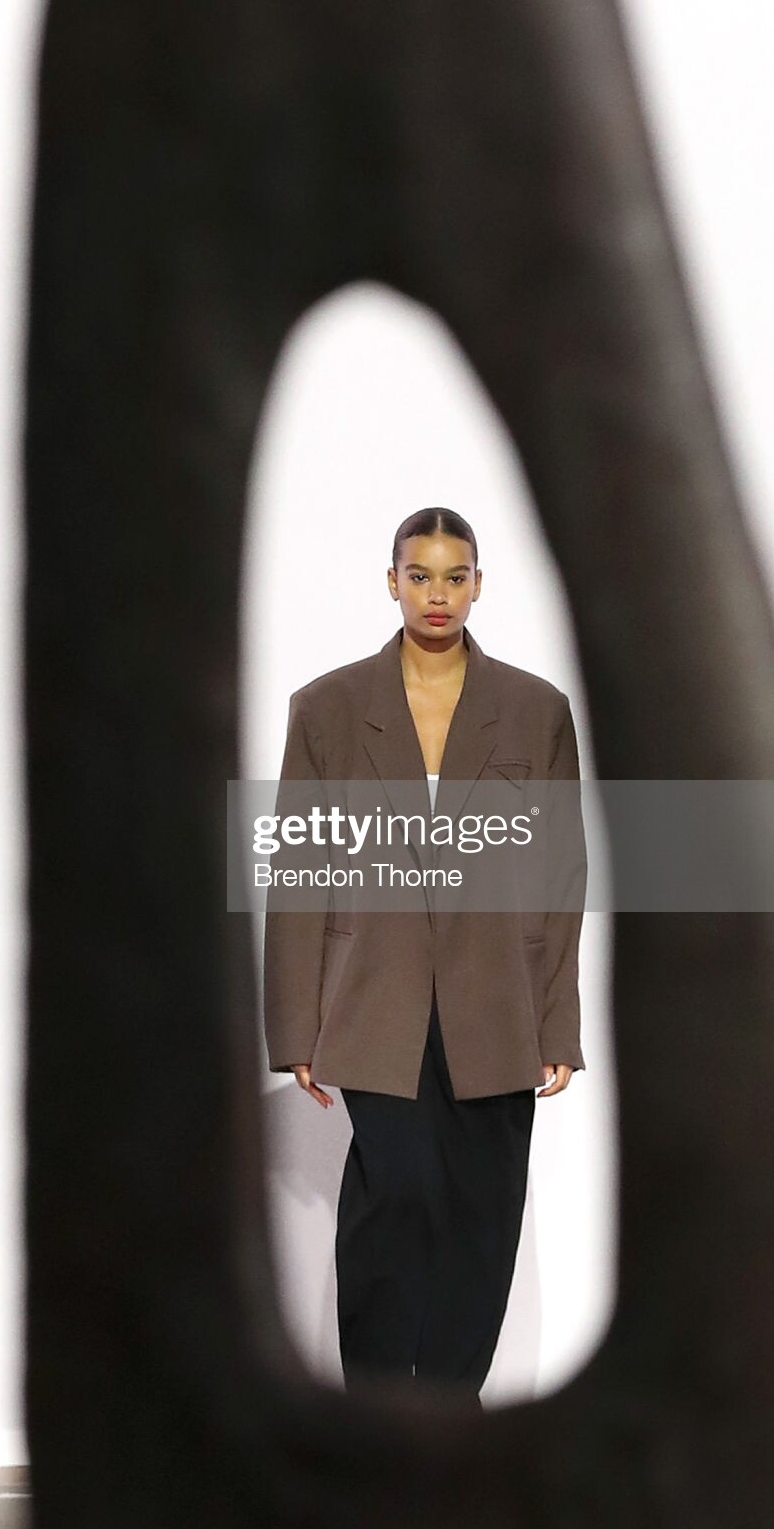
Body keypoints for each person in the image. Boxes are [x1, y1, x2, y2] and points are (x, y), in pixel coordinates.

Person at [262, 506, 585, 1406]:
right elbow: (298, 865)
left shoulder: (535, 710)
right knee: (394, 1194)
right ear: (391, 581)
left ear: (477, 584)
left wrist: (556, 1020)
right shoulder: (328, 708)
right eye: (419, 575)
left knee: (483, 1211)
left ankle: (447, 1420)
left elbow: (561, 872)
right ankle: (376, 1416)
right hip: (373, 994)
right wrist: (295, 1023)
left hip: (498, 997)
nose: (436, 594)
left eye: (453, 576)